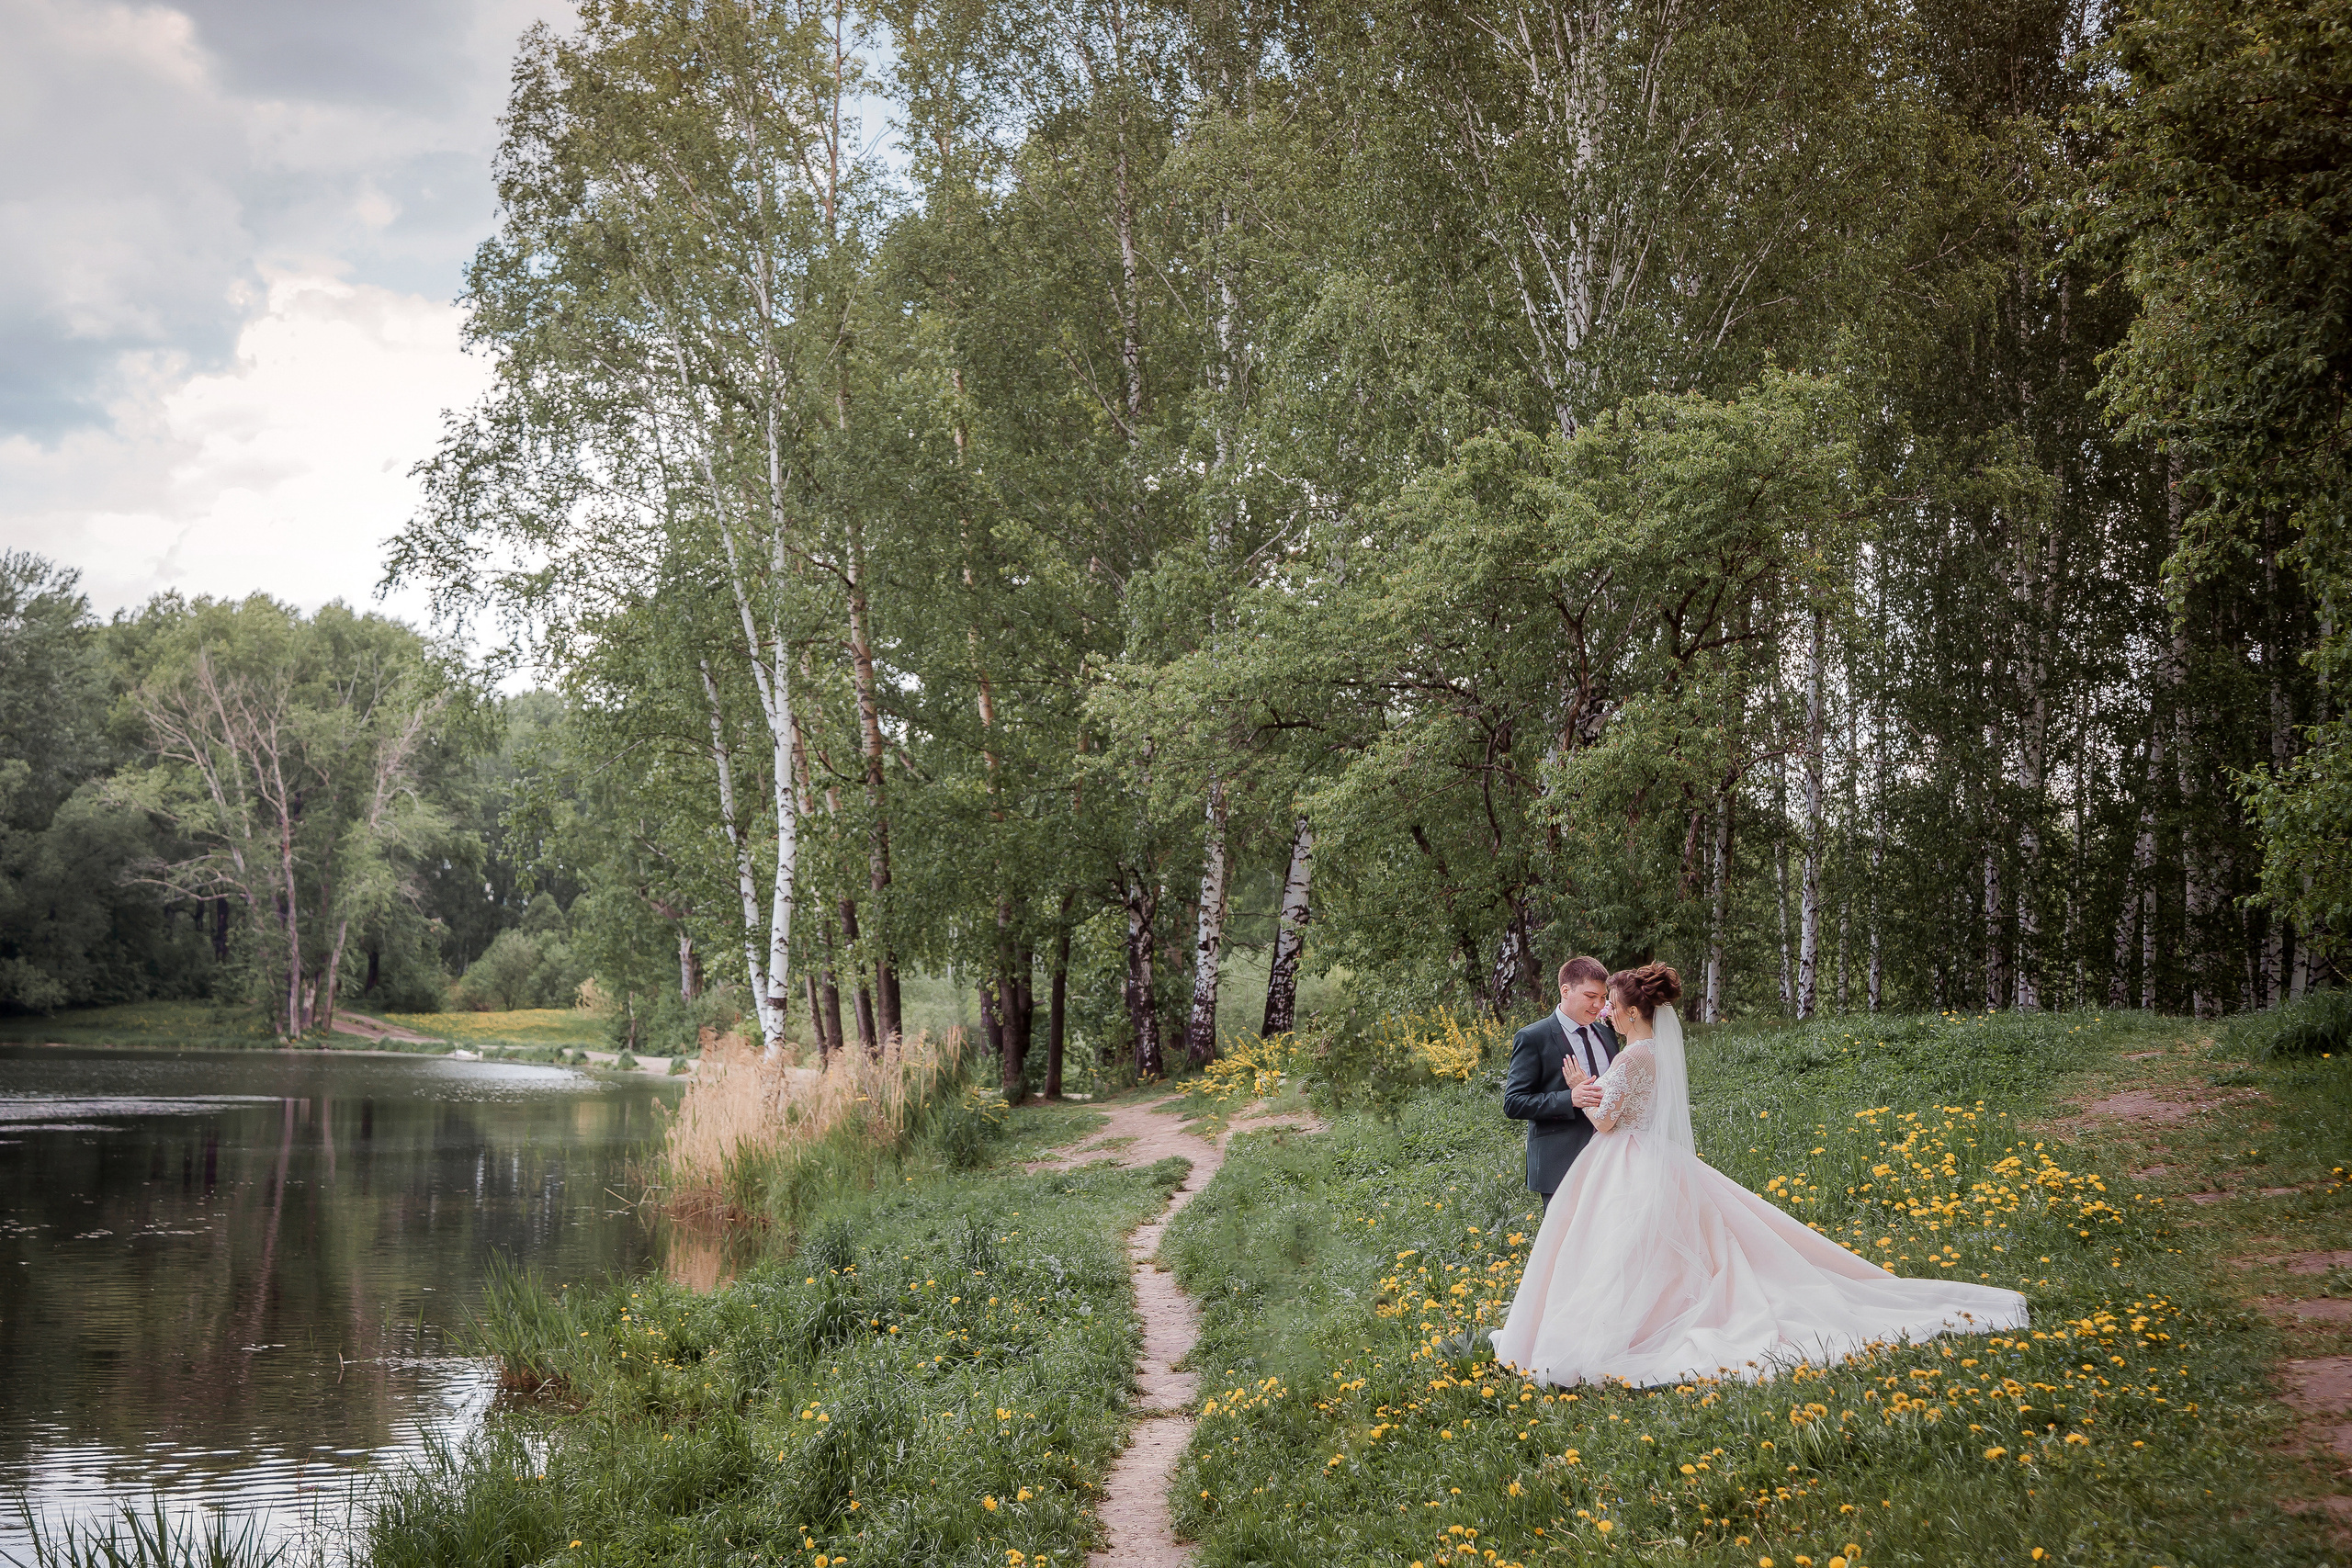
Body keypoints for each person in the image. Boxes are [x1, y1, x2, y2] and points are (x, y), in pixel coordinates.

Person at [1492, 963, 2028, 1388]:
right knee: (1652, 1248)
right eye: (1597, 1000)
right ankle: (1646, 1321)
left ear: (1630, 1013)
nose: (1604, 1009)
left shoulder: (1630, 1059)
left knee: (1622, 1249)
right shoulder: (1651, 1052)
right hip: (1649, 1157)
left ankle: (1625, 1331)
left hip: (1623, 1157)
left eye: (1610, 1002)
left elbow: (1607, 1119)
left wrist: (1584, 1089)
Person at [1502, 957, 1620, 1211]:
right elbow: (1513, 1103)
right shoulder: (1534, 1037)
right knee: (1564, 1247)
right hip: (1560, 1164)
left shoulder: (1607, 1035)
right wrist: (1570, 1099)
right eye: (1591, 996)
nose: (1598, 1005)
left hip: (1611, 1159)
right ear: (1565, 990)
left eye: (1602, 998)